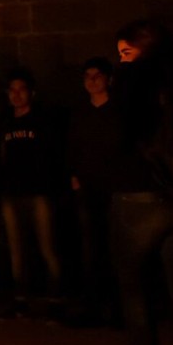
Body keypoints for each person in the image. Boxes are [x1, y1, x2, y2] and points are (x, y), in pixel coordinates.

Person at [108, 19, 173, 345]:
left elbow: (119, 133)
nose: (122, 60)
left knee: (134, 284)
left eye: (126, 52)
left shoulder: (133, 80)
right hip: (172, 193)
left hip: (138, 194)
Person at [0, 69, 67, 319]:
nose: (16, 95)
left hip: (40, 192)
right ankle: (20, 299)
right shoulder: (4, 123)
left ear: (31, 93)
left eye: (21, 89)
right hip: (12, 193)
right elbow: (0, 157)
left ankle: (55, 299)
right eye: (12, 90)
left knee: (48, 247)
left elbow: (56, 156)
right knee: (17, 249)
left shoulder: (43, 122)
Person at [66, 57, 123, 326]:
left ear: (108, 79)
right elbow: (71, 149)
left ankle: (116, 308)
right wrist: (75, 177)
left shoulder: (118, 112)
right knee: (90, 248)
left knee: (116, 248)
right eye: (87, 75)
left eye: (97, 75)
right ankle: (92, 305)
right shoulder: (79, 114)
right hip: (87, 189)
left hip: (115, 189)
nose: (92, 80)